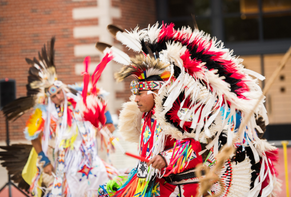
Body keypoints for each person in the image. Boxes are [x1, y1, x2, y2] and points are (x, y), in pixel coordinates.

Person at [96, 22, 280, 196]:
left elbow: (198, 143)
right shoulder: (145, 116)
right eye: (134, 92)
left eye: (140, 93)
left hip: (183, 188)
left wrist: (166, 157)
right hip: (155, 185)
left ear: (155, 92)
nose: (135, 99)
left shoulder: (177, 111)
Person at [3, 38, 119, 197]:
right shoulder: (45, 113)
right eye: (54, 95)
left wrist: (107, 123)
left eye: (59, 92)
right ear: (49, 98)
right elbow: (33, 136)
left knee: (104, 188)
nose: (58, 96)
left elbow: (97, 94)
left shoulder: (76, 99)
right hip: (66, 163)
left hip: (90, 160)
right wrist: (45, 161)